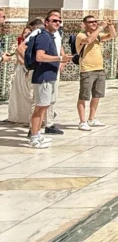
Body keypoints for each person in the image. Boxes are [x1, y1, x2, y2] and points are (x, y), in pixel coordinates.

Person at [28, 11, 72, 148]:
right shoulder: (43, 37)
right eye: (54, 21)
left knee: (44, 106)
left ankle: (39, 134)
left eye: (59, 21)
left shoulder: (51, 36)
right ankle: (34, 137)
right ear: (46, 22)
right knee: (40, 107)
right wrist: (59, 59)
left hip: (50, 75)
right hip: (43, 77)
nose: (57, 23)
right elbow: (40, 57)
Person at [75, 15, 116, 130]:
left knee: (97, 95)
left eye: (95, 22)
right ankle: (82, 121)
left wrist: (110, 25)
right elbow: (88, 40)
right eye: (91, 22)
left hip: (99, 69)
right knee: (83, 96)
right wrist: (101, 27)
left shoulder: (98, 36)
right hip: (87, 70)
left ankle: (92, 118)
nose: (94, 23)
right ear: (85, 24)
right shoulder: (81, 35)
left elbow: (112, 36)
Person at [4, 19, 42, 128]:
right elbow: (18, 54)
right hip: (22, 69)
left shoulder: (33, 42)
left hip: (28, 69)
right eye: (24, 32)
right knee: (18, 94)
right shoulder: (22, 44)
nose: (26, 34)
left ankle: (30, 119)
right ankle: (18, 116)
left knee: (29, 94)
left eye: (28, 32)